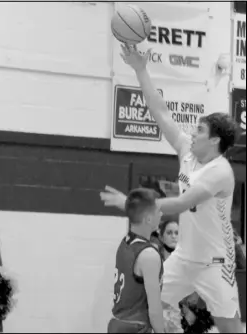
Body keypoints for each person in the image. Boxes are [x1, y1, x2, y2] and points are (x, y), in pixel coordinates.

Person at [100, 44, 243, 333]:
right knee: (146, 307)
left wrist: (130, 202)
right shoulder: (187, 152)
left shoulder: (220, 172)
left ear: (215, 141)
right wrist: (140, 69)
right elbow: (160, 111)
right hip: (183, 258)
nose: (192, 133)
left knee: (231, 329)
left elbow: (180, 204)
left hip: (216, 263)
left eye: (200, 131)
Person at [108, 188, 165, 333]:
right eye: (158, 210)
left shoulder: (126, 242)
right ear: (149, 219)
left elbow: (138, 212)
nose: (162, 214)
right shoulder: (149, 255)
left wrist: (127, 203)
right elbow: (154, 309)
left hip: (117, 324)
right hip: (135, 327)